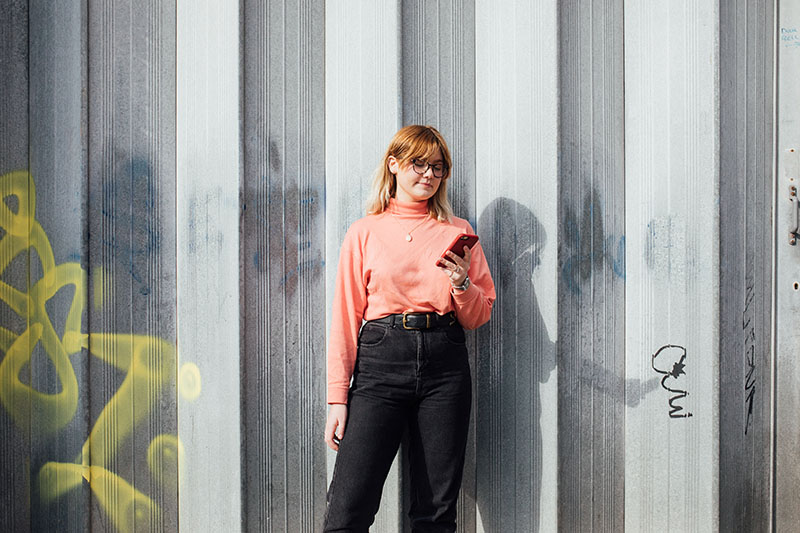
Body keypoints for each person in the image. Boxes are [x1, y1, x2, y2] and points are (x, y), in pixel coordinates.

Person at [323, 124, 495, 532]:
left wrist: (461, 284)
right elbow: (346, 316)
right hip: (380, 363)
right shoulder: (364, 232)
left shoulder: (459, 232)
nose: (429, 175)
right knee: (349, 507)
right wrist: (337, 398)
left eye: (438, 167)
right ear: (394, 165)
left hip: (444, 365)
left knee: (435, 512)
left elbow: (478, 314)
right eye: (419, 164)